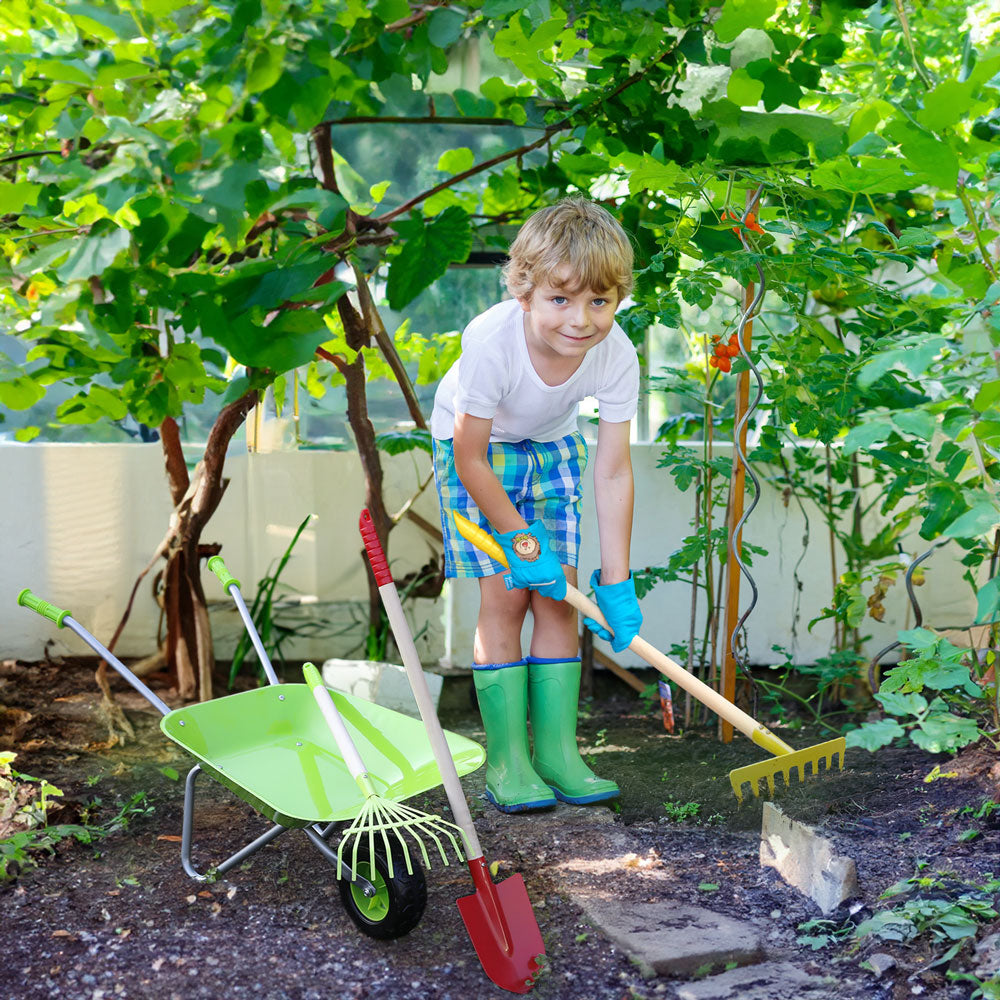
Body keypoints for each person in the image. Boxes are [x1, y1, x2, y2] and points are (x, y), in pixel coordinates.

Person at [430, 198, 643, 813]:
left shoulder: (617, 354)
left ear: (617, 298)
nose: (581, 320)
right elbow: (470, 458)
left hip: (552, 448)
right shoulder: (491, 341)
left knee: (560, 598)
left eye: (599, 301)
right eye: (561, 299)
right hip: (475, 451)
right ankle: (507, 761)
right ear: (525, 291)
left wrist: (618, 579)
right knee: (506, 596)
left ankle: (556, 754)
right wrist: (522, 542)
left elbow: (613, 468)